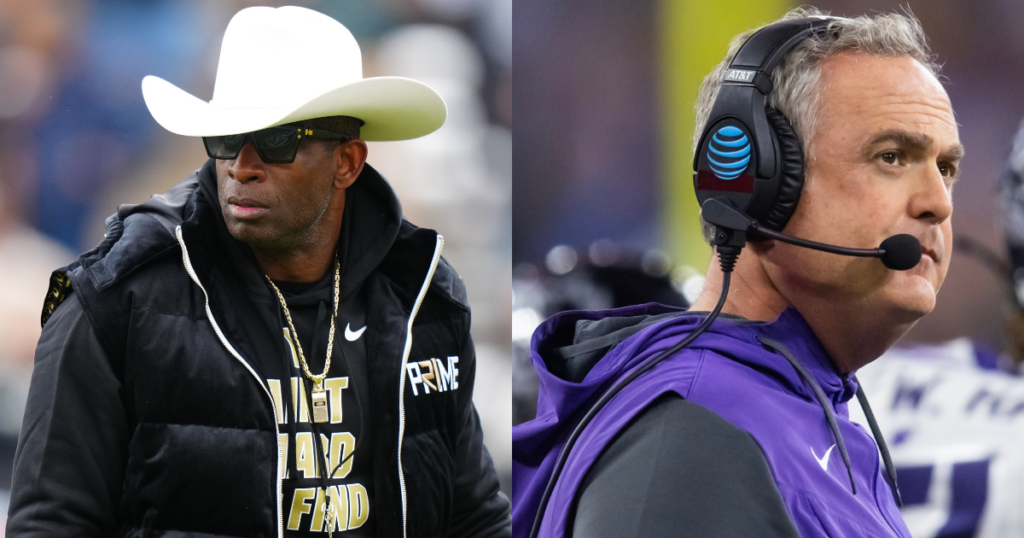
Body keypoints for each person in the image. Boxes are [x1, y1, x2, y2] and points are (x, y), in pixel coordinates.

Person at [6, 6, 511, 538]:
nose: (242, 165)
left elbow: (474, 517)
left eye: (275, 141)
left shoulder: (421, 296)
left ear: (348, 162)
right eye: (225, 139)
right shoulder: (115, 299)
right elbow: (51, 525)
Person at [513, 7, 960, 538]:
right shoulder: (689, 438)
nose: (939, 202)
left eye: (946, 168)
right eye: (891, 157)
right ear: (755, 185)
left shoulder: (796, 411)